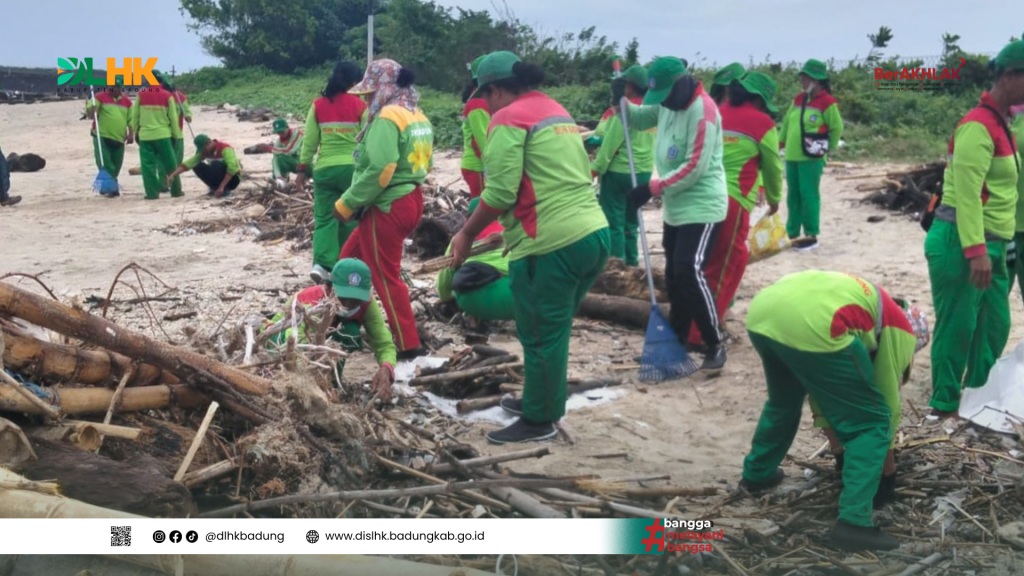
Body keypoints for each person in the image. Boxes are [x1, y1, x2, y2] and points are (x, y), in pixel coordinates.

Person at [450, 51, 610, 444]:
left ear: (497, 89)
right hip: (592, 233)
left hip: (552, 244)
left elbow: (501, 191)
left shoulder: (507, 117)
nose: (484, 104)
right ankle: (541, 401)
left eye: (484, 95)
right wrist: (513, 232)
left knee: (539, 334)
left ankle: (540, 420)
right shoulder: (555, 111)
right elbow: (553, 178)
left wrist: (467, 234)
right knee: (552, 331)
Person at [740, 270, 929, 551]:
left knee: (784, 402)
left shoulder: (867, 302)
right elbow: (885, 407)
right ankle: (854, 523)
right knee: (873, 423)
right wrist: (886, 474)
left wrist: (840, 450)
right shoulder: (902, 330)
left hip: (763, 315)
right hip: (818, 326)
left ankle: (756, 475)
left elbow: (823, 393)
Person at [926, 40, 1024, 417]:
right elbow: (967, 196)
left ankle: (978, 393)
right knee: (958, 326)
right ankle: (944, 403)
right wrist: (976, 251)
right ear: (1010, 76)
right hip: (962, 241)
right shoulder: (976, 127)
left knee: (995, 324)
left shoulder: (1003, 126)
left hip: (997, 242)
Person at [625, 57, 729, 373]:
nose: (665, 103)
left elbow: (695, 167)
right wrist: (620, 101)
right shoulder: (667, 103)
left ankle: (715, 342)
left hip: (702, 204)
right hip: (675, 204)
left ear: (683, 83)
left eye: (667, 95)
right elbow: (640, 120)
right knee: (673, 276)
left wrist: (652, 188)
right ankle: (677, 343)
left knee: (689, 271)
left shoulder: (704, 112)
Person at [335, 59, 433, 360]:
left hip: (388, 204)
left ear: (384, 88)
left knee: (384, 276)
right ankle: (348, 318)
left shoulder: (387, 118)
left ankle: (408, 344)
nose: (366, 98)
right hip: (411, 198)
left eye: (369, 92)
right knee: (349, 261)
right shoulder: (416, 114)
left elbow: (382, 168)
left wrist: (348, 203)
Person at [686, 72, 783, 350]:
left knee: (706, 263)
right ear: (759, 99)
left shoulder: (713, 112)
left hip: (695, 196)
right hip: (731, 201)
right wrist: (774, 198)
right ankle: (699, 334)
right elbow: (773, 167)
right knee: (725, 265)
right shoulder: (763, 123)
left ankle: (698, 323)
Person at [261, 258, 397, 400]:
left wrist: (386, 368)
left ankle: (332, 379)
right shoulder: (311, 302)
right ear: (329, 287)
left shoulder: (367, 303)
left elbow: (383, 342)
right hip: (279, 338)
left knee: (350, 332)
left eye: (356, 299)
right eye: (344, 298)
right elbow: (296, 347)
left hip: (324, 339)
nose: (349, 305)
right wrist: (314, 386)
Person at [297, 61, 368, 284]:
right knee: (350, 217)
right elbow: (367, 139)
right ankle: (347, 262)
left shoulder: (318, 105)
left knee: (325, 218)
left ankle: (322, 265)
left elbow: (309, 141)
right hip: (352, 171)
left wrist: (302, 169)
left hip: (325, 169)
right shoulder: (361, 106)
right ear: (354, 82)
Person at [591, 65, 654, 267]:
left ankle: (615, 265)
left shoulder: (626, 111)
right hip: (643, 173)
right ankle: (632, 262)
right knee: (631, 222)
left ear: (630, 86)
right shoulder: (653, 110)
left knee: (613, 222)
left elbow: (610, 145)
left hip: (619, 172)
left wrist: (595, 169)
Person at [779, 59, 844, 251]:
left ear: (817, 80)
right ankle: (792, 233)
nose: (802, 82)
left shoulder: (827, 102)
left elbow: (836, 127)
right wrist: (780, 142)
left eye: (805, 78)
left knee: (809, 195)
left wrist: (827, 149)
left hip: (812, 157)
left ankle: (811, 234)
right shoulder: (798, 99)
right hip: (792, 155)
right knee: (793, 195)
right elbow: (787, 122)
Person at [437, 198, 513, 322]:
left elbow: (445, 278)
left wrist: (445, 298)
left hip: (474, 300)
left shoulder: (460, 240)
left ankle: (478, 320)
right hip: (522, 293)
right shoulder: (514, 231)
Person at [130, 73, 179, 200]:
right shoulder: (167, 95)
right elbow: (173, 118)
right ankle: (176, 191)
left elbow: (135, 116)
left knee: (148, 167)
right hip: (164, 135)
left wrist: (136, 131)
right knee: (171, 165)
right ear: (161, 82)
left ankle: (152, 194)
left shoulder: (141, 94)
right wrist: (175, 135)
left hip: (145, 136)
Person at [86, 77, 134, 197]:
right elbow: (91, 115)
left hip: (119, 138)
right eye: (111, 87)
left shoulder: (127, 102)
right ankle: (112, 188)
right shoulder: (99, 97)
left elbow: (131, 120)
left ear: (120, 88)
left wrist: (131, 134)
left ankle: (106, 186)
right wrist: (93, 110)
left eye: (116, 87)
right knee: (105, 163)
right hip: (101, 136)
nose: (112, 89)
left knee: (116, 166)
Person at [165, 134, 242, 197]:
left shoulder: (225, 148)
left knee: (215, 164)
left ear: (209, 143)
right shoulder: (205, 151)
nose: (203, 151)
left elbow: (232, 168)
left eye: (204, 148)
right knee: (197, 165)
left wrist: (222, 186)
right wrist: (173, 175)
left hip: (233, 179)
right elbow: (188, 163)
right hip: (220, 177)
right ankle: (214, 188)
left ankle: (225, 189)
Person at [460, 55, 491, 199]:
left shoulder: (482, 101)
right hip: (477, 167)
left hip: (480, 165)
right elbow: (484, 141)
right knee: (482, 209)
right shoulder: (477, 104)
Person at [156, 70, 191, 197]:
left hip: (178, 133)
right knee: (161, 160)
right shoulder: (159, 96)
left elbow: (187, 111)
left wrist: (188, 116)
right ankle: (163, 184)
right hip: (164, 133)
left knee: (177, 160)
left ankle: (172, 181)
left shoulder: (180, 97)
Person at [270, 118, 304, 184]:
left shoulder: (298, 134)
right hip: (297, 165)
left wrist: (269, 149)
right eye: (278, 132)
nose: (281, 134)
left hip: (308, 165)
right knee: (278, 157)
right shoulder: (279, 141)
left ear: (287, 127)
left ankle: (308, 178)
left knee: (281, 155)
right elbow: (275, 158)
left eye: (282, 131)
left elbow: (290, 150)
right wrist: (277, 175)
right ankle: (281, 179)